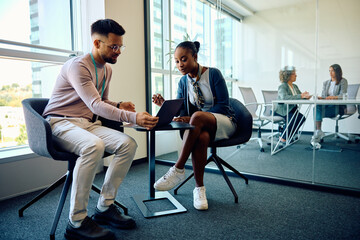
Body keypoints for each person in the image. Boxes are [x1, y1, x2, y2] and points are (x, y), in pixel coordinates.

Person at [42, 19, 158, 240]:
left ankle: (104, 208)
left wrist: (118, 104)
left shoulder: (106, 70)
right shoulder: (78, 66)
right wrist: (134, 117)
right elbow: (95, 105)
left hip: (88, 124)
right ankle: (76, 222)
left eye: (120, 46)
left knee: (127, 144)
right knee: (93, 146)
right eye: (113, 46)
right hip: (60, 122)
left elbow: (101, 102)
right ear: (97, 43)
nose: (118, 51)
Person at [152, 41, 237, 211]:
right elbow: (182, 110)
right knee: (202, 137)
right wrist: (165, 103)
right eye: (176, 61)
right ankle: (200, 190)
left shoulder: (213, 74)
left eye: (183, 59)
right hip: (199, 127)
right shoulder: (183, 82)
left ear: (195, 57)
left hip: (223, 121)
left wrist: (194, 117)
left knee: (197, 116)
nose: (180, 64)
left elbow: (223, 105)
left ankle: (178, 168)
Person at [310, 64, 348, 149]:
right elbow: (324, 96)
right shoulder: (326, 83)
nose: (330, 73)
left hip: (337, 107)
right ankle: (319, 131)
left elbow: (343, 95)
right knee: (316, 108)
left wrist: (334, 97)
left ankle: (318, 132)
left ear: (337, 72)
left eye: (333, 71)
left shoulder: (343, 81)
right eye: (329, 71)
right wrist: (321, 97)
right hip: (327, 106)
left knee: (317, 109)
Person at [274, 66, 311, 146]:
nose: (296, 75)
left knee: (301, 118)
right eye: (294, 74)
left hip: (291, 110)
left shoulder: (295, 86)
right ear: (288, 75)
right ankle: (283, 137)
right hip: (282, 111)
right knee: (294, 118)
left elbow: (299, 97)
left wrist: (305, 96)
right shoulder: (282, 86)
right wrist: (301, 96)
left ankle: (287, 136)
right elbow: (284, 98)